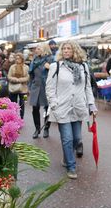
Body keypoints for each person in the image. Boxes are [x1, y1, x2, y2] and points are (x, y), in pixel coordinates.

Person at [46, 41, 97, 179]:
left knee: (77, 138)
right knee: (67, 138)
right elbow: (50, 88)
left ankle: (66, 156)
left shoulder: (83, 67)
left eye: (69, 48)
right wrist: (54, 103)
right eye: (64, 49)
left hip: (78, 107)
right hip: (62, 107)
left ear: (75, 51)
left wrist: (91, 104)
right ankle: (71, 166)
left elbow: (87, 87)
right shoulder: (55, 66)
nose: (66, 51)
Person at [29, 44, 52, 139]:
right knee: (35, 108)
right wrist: (30, 85)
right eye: (36, 48)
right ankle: (37, 129)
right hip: (36, 86)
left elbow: (55, 73)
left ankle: (46, 128)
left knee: (47, 108)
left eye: (39, 48)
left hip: (46, 87)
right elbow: (31, 74)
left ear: (45, 50)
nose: (36, 50)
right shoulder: (34, 60)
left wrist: (50, 68)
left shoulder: (50, 60)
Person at [7, 53, 29, 119]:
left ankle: (21, 117)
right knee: (13, 103)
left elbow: (27, 77)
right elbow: (9, 76)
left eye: (19, 58)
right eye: (16, 58)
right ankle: (14, 117)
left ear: (22, 59)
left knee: (22, 103)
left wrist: (20, 80)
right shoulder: (12, 67)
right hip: (13, 87)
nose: (17, 60)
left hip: (23, 88)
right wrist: (15, 80)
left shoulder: (26, 67)